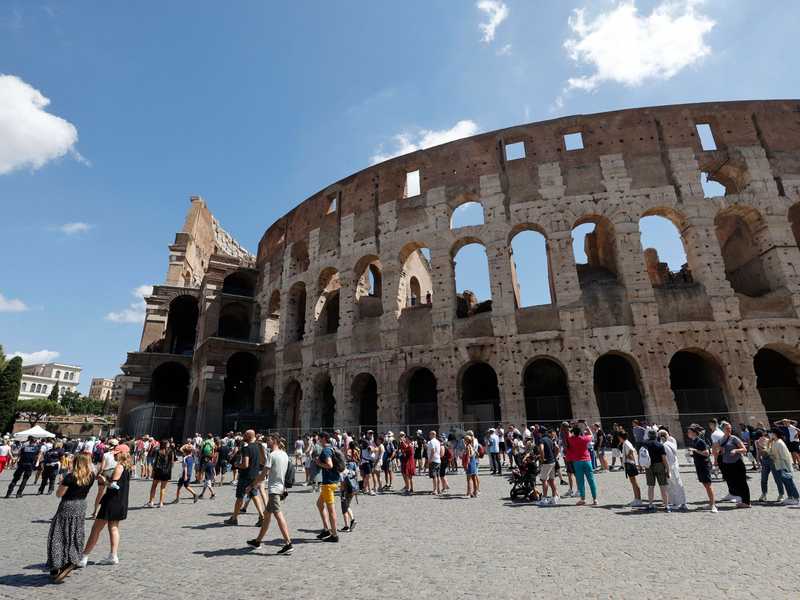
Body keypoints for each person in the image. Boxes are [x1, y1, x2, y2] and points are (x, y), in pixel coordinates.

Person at [79, 445, 133, 567]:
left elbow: (114, 486)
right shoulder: (128, 467)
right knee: (113, 527)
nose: (114, 455)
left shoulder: (119, 466)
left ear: (121, 454)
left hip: (111, 501)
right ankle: (113, 555)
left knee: (95, 529)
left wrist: (104, 481)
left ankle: (84, 556)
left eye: (116, 453)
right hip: (121, 501)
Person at [46, 453, 96, 583]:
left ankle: (55, 566)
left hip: (68, 504)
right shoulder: (91, 476)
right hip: (81, 505)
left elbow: (59, 494)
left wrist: (62, 482)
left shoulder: (71, 476)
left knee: (59, 533)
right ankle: (72, 558)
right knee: (75, 532)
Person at [245, 434, 293, 554]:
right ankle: (257, 541)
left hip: (274, 490)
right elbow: (286, 473)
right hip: (280, 488)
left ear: (275, 441)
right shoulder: (284, 454)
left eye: (269, 440)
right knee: (267, 515)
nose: (267, 441)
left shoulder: (272, 455)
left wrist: (251, 485)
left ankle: (288, 543)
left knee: (278, 515)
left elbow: (263, 474)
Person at [224, 430, 263, 525]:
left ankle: (234, 519)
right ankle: (261, 516)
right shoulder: (258, 447)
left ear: (250, 436)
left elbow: (245, 464)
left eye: (245, 435)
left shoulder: (246, 448)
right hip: (255, 475)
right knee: (254, 495)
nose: (243, 437)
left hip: (245, 476)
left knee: (239, 497)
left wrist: (237, 464)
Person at [717, 422, 751, 508]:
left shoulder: (734, 438)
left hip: (737, 463)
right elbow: (719, 450)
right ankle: (740, 498)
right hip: (727, 463)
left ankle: (746, 502)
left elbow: (744, 449)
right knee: (733, 482)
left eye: (730, 428)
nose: (729, 430)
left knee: (742, 482)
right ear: (723, 429)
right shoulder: (721, 440)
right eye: (727, 428)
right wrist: (720, 449)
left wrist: (736, 451)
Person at [564, 422, 598, 505]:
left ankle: (582, 499)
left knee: (581, 481)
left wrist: (571, 427)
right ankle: (595, 499)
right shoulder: (584, 439)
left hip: (577, 462)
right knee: (591, 481)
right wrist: (586, 426)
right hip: (586, 460)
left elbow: (568, 434)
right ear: (580, 432)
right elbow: (591, 435)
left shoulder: (572, 439)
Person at [315, 432, 340, 543]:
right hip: (334, 481)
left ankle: (334, 535)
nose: (319, 441)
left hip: (328, 483)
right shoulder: (332, 448)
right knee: (319, 504)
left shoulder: (325, 451)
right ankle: (326, 529)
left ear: (324, 439)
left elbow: (329, 465)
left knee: (331, 510)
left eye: (320, 439)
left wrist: (319, 464)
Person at [686, 425, 717, 512]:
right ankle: (711, 503)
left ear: (694, 433)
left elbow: (707, 453)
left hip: (704, 465)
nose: (688, 433)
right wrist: (691, 455)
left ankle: (713, 505)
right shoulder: (695, 442)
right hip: (699, 465)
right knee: (705, 484)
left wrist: (695, 450)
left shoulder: (700, 441)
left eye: (689, 432)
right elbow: (700, 453)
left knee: (708, 484)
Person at [767, 427, 800, 505]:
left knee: (789, 482)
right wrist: (768, 444)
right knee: (785, 482)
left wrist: (775, 457)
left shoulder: (779, 443)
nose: (769, 434)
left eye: (771, 433)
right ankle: (790, 497)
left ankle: (796, 497)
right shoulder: (775, 442)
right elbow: (770, 451)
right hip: (778, 465)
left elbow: (785, 455)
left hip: (783, 465)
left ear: (774, 433)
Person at [641, 428, 671, 511]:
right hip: (659, 465)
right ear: (656, 436)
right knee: (663, 487)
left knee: (651, 487)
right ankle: (667, 505)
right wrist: (668, 470)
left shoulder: (644, 443)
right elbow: (665, 459)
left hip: (649, 465)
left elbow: (641, 455)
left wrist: (640, 465)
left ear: (648, 435)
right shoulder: (660, 445)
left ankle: (650, 505)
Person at [658, 429, 688, 510]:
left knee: (672, 486)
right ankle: (683, 503)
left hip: (670, 467)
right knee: (678, 485)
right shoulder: (671, 444)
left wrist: (667, 471)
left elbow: (665, 459)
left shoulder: (663, 445)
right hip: (675, 466)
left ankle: (675, 504)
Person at [756, 427, 784, 502]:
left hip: (771, 460)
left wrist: (767, 449)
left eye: (760, 432)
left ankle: (781, 494)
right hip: (764, 461)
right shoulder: (757, 442)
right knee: (763, 478)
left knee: (777, 478)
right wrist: (758, 463)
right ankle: (764, 493)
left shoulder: (770, 440)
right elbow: (757, 453)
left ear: (764, 433)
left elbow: (773, 451)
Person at [91, 440, 118, 517]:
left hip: (105, 473)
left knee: (100, 493)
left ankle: (95, 511)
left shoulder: (106, 454)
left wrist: (98, 474)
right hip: (113, 473)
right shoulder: (118, 454)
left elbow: (102, 467)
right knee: (111, 493)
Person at [145, 439, 174, 508]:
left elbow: (155, 462)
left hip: (158, 470)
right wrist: (169, 468)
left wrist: (152, 472)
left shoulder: (158, 451)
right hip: (166, 471)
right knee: (163, 487)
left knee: (154, 486)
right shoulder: (171, 452)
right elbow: (172, 462)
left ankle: (151, 502)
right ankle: (161, 503)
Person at [617, 432, 641, 507]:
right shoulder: (625, 442)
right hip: (628, 463)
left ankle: (638, 499)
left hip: (630, 463)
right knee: (633, 482)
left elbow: (632, 449)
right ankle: (636, 498)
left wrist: (628, 455)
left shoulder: (626, 443)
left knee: (634, 482)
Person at [536, 428, 559, 505]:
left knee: (544, 480)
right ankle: (553, 497)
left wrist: (542, 459)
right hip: (552, 461)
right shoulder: (550, 440)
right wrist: (554, 457)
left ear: (540, 433)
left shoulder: (542, 440)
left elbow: (541, 449)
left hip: (546, 462)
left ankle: (544, 498)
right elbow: (557, 448)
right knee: (552, 480)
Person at [426, 430, 442, 495]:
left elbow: (433, 451)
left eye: (430, 434)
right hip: (438, 460)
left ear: (432, 435)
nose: (429, 435)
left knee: (434, 475)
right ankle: (439, 489)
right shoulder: (438, 441)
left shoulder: (432, 442)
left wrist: (430, 459)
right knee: (438, 475)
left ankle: (435, 489)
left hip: (434, 460)